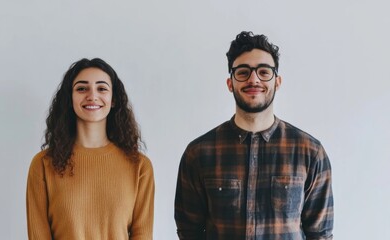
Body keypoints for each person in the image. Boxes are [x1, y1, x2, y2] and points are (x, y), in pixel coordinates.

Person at [174, 31, 334, 239]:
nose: (254, 79)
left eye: (264, 72)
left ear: (277, 81)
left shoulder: (310, 152)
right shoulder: (199, 153)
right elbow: (189, 232)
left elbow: (320, 234)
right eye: (243, 72)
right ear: (230, 83)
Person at [26, 58, 154, 240]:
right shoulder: (43, 164)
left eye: (101, 88)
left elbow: (142, 234)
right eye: (81, 88)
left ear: (114, 99)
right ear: (70, 99)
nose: (92, 96)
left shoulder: (139, 166)